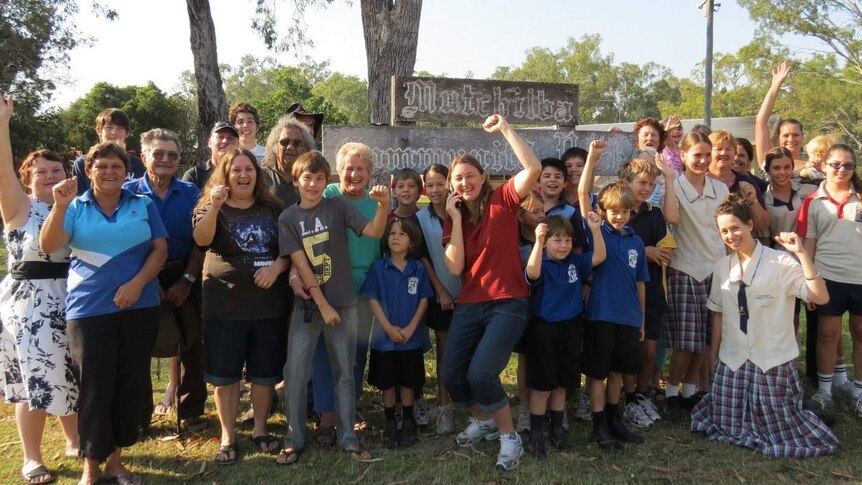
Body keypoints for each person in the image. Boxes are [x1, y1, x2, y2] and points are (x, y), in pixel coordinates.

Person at [41, 142, 168, 485]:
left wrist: (138, 284)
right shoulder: (74, 207)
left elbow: (160, 249)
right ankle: (90, 468)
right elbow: (49, 245)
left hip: (139, 307)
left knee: (128, 384)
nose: (109, 172)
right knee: (95, 388)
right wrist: (60, 205)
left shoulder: (142, 204)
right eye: (102, 166)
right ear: (88, 171)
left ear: (127, 172)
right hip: (88, 310)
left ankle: (116, 463)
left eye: (116, 166)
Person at [691, 194, 838, 457]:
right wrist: (714, 356)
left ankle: (803, 409)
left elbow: (820, 297)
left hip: (770, 357)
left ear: (750, 225)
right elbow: (718, 314)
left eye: (735, 227)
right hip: (733, 357)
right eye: (724, 231)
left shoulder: (780, 261)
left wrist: (802, 254)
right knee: (725, 423)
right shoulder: (722, 266)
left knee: (779, 427)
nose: (730, 235)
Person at [442, 114, 541, 471]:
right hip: (470, 303)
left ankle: (509, 437)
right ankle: (484, 418)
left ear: (482, 178)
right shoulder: (453, 219)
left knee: (481, 373)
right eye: (458, 178)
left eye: (470, 175)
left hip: (507, 302)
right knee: (453, 376)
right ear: (452, 186)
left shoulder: (503, 200)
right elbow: (454, 267)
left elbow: (532, 167)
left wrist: (505, 130)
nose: (465, 182)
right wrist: (454, 219)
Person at [278, 151, 389, 464]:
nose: (313, 184)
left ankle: (348, 438)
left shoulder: (338, 206)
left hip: (344, 302)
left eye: (319, 179)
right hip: (309, 306)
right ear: (296, 181)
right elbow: (300, 262)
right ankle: (293, 439)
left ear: (327, 182)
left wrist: (382, 206)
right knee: (296, 372)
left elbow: (375, 232)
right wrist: (322, 304)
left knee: (345, 371)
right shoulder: (288, 218)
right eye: (307, 178)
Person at [192, 148, 289, 464]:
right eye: (236, 170)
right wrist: (215, 206)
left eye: (249, 169)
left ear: (257, 175)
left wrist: (276, 268)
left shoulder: (273, 208)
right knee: (225, 374)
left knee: (264, 372)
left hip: (267, 306)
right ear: (225, 174)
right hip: (224, 304)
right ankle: (228, 435)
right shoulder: (211, 206)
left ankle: (260, 429)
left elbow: (290, 249)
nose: (244, 175)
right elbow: (202, 239)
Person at [0, 95, 78, 484]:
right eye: (41, 172)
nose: (50, 176)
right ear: (27, 179)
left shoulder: (76, 207)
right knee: (35, 378)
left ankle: (73, 440)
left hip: (71, 294)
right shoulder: (21, 208)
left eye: (56, 169)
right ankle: (32, 457)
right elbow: (2, 175)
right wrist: (3, 123)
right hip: (30, 302)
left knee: (70, 372)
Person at [123, 129, 206, 432]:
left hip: (185, 270)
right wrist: (146, 282)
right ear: (143, 156)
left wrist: (187, 279)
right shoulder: (126, 193)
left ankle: (192, 410)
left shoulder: (192, 193)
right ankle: (139, 416)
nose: (165, 160)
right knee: (137, 346)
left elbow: (201, 242)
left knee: (193, 341)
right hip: (139, 273)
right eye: (158, 154)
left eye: (172, 155)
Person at [579, 141, 650, 453]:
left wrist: (642, 319)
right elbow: (583, 194)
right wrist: (593, 159)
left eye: (625, 212)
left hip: (629, 317)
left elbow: (641, 284)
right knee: (597, 372)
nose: (619, 217)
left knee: (619, 371)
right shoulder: (597, 230)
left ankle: (614, 417)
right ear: (602, 212)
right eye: (614, 212)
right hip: (600, 315)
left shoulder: (636, 242)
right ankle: (598, 424)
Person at [660, 132, 730, 419]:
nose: (702, 160)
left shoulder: (721, 190)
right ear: (684, 156)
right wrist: (667, 179)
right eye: (696, 155)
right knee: (685, 342)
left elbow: (726, 232)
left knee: (705, 340)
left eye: (706, 154)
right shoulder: (673, 186)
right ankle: (671, 392)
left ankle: (690, 390)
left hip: (717, 270)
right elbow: (672, 219)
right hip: (685, 269)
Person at [524, 214, 604, 456]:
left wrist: (595, 230)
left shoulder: (575, 262)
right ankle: (536, 432)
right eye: (557, 240)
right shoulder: (540, 263)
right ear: (546, 242)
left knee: (561, 384)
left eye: (567, 240)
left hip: (571, 328)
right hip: (544, 330)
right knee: (542, 386)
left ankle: (557, 429)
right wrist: (538, 243)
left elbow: (599, 256)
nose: (563, 245)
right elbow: (532, 274)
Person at [797, 144, 862, 417]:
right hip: (828, 278)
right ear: (823, 166)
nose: (841, 170)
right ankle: (824, 391)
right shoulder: (812, 201)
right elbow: (808, 244)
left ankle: (858, 391)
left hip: (859, 277)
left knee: (860, 334)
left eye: (848, 165)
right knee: (827, 335)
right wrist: (809, 282)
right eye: (836, 164)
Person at [615, 159, 676, 429]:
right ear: (626, 182)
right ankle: (628, 398)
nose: (647, 188)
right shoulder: (616, 211)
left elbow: (667, 252)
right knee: (629, 349)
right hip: (623, 293)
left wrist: (653, 253)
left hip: (652, 291)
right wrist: (646, 251)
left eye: (652, 184)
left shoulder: (656, 214)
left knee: (650, 351)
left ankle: (641, 393)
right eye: (642, 182)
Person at [363, 217, 433, 447]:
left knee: (408, 381)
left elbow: (424, 298)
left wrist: (412, 327)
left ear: (411, 242)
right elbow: (372, 299)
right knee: (387, 383)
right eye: (392, 233)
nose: (396, 237)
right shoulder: (378, 267)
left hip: (410, 340)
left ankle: (409, 420)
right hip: (385, 340)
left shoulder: (418, 268)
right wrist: (388, 327)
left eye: (402, 234)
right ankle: (391, 422)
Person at [416, 164, 461, 434]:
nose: (435, 190)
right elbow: (423, 257)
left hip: (467, 293)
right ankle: (445, 409)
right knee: (445, 351)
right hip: (440, 294)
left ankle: (472, 401)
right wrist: (440, 290)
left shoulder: (461, 213)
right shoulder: (421, 218)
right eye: (430, 184)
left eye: (440, 184)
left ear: (449, 184)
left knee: (471, 351)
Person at [72, 108, 146, 195]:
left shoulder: (138, 163)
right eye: (109, 127)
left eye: (119, 128)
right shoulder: (82, 163)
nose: (114, 132)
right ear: (99, 130)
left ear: (127, 133)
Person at [755, 61, 806, 172]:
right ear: (779, 137)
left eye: (795, 135)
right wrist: (775, 85)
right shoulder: (769, 160)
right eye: (786, 135)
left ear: (802, 136)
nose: (791, 139)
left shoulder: (812, 165)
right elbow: (761, 122)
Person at [260, 116, 314, 207]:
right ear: (274, 146)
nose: (290, 147)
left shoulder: (312, 178)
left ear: (305, 148)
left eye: (297, 143)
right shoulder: (260, 176)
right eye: (284, 142)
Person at [182, 122, 239, 190]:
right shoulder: (194, 175)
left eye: (230, 138)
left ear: (238, 145)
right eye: (220, 137)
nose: (225, 141)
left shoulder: (244, 174)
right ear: (209, 142)